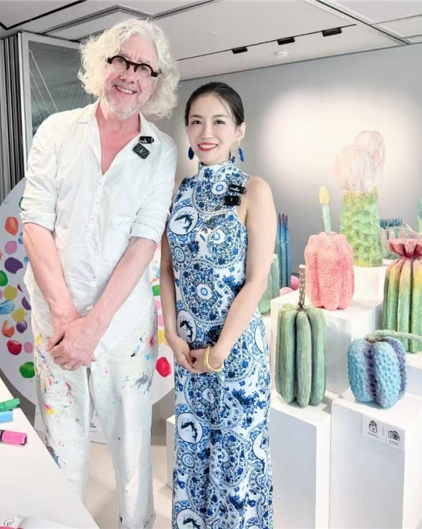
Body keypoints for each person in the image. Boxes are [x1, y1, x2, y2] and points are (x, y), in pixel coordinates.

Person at [20, 19, 179, 529]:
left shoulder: (161, 150)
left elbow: (144, 241)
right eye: (122, 61)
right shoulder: (56, 130)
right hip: (57, 323)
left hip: (122, 327)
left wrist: (94, 325)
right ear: (102, 64)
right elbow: (35, 222)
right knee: (62, 445)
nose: (130, 75)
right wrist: (69, 319)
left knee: (131, 449)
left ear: (155, 82)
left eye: (144, 68)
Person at [160, 82, 277, 528]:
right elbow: (166, 271)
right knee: (195, 461)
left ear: (239, 130)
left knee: (236, 468)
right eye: (196, 121)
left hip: (236, 355)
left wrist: (220, 350)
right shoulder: (178, 190)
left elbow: (257, 279)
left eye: (219, 121)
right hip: (190, 356)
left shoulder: (254, 190)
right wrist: (172, 335)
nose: (206, 132)